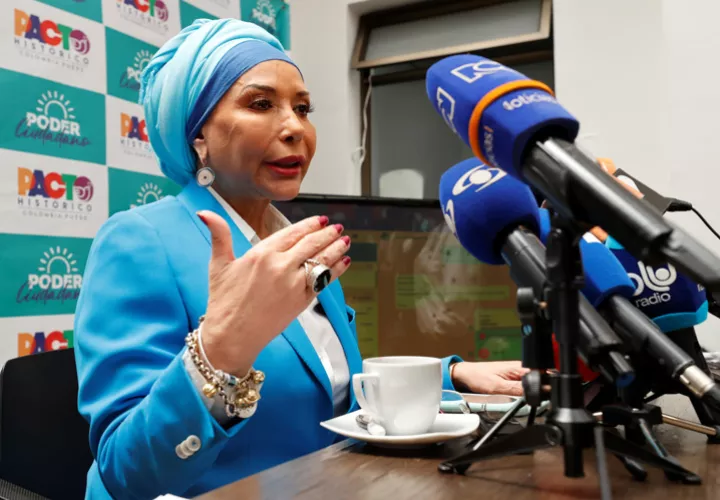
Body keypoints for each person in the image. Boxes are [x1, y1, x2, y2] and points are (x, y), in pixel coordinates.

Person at [74, 18, 527, 500]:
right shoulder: (139, 241)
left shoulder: (304, 243)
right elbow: (125, 471)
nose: (295, 128)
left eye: (303, 108)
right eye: (261, 104)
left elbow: (334, 393)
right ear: (197, 135)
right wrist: (222, 348)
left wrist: (449, 377)